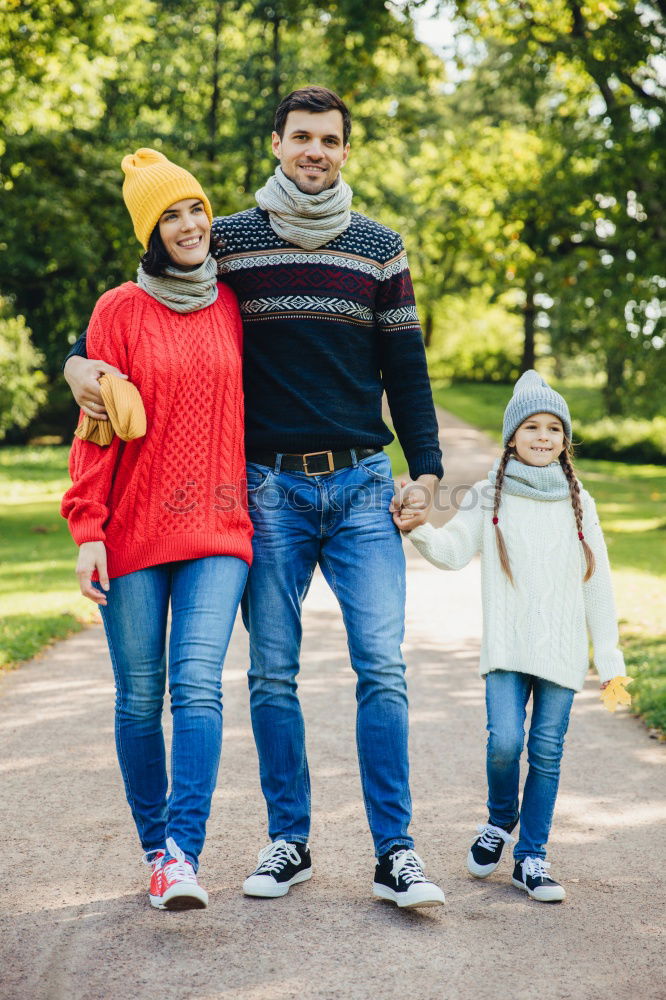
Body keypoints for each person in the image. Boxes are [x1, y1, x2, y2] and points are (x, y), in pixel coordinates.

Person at [63, 87, 445, 909]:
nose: (315, 150)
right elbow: (145, 297)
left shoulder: (381, 248)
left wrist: (430, 470)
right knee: (271, 674)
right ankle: (289, 841)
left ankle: (397, 853)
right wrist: (77, 363)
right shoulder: (230, 239)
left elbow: (406, 372)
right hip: (267, 490)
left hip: (362, 485)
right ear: (276, 142)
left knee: (381, 666)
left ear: (347, 150)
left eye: (330, 140)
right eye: (301, 136)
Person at [61, 149, 253, 911]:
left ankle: (182, 853)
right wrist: (89, 530)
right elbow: (95, 429)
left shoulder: (233, 304)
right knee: (140, 697)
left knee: (196, 686)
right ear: (150, 230)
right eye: (169, 215)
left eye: (195, 209)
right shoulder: (118, 310)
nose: (188, 225)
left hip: (217, 529)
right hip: (135, 533)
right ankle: (154, 849)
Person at [396, 370, 626, 902]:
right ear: (511, 436)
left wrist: (608, 658)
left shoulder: (579, 503)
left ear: (565, 440)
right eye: (531, 427)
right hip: (508, 646)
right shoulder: (488, 495)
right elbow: (454, 551)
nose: (543, 437)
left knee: (546, 751)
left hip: (562, 651)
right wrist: (420, 529)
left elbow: (599, 583)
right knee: (504, 743)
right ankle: (501, 820)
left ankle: (532, 857)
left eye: (553, 428)